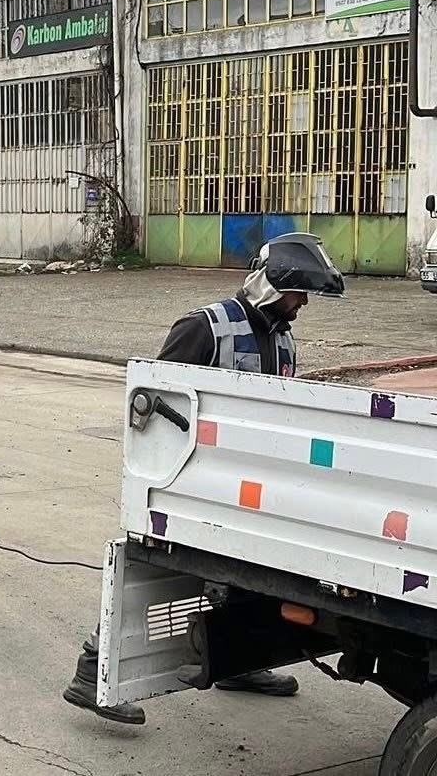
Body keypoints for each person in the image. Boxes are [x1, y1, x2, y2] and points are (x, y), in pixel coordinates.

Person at [62, 232, 346, 725]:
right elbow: (154, 403)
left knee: (255, 572)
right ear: (271, 285)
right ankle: (91, 673)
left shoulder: (282, 338)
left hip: (248, 486)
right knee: (156, 576)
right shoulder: (206, 327)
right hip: (191, 485)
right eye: (298, 293)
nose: (302, 304)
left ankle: (239, 664)